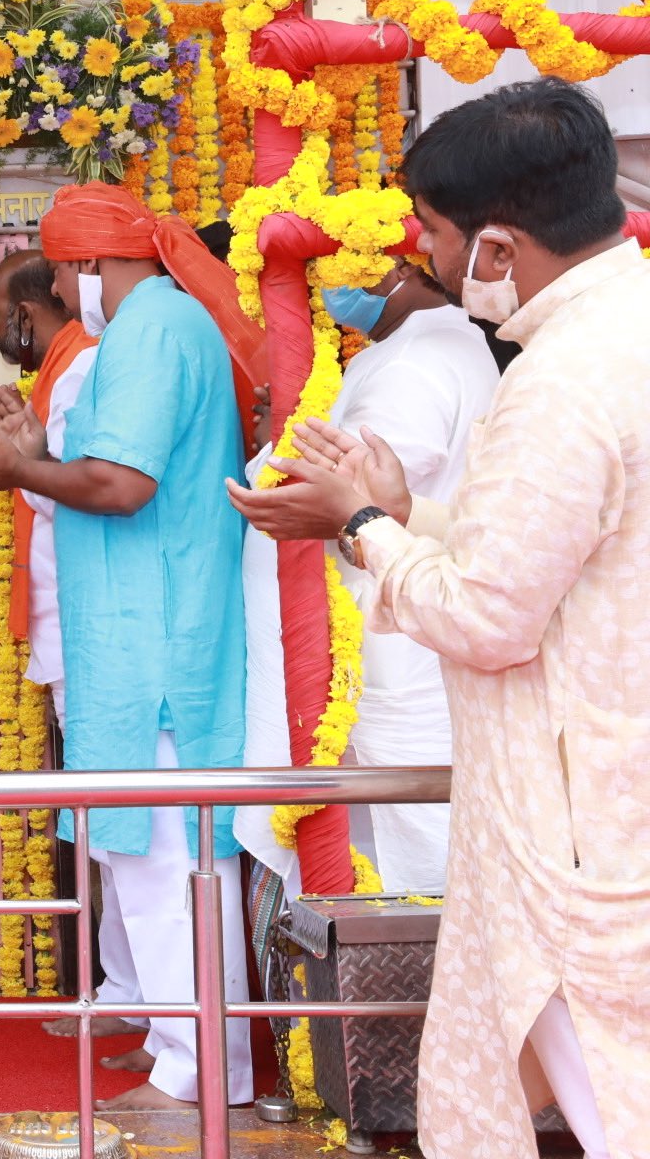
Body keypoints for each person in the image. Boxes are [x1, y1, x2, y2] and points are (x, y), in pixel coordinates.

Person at [227, 78, 646, 1159]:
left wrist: (360, 520)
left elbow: (490, 614)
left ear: (498, 248)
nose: (422, 259)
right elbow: (553, 544)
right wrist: (411, 508)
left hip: (579, 824)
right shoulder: (624, 329)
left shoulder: (563, 376)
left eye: (436, 239)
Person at [0, 183, 262, 1110]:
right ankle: (185, 1054)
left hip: (156, 636)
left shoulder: (155, 330)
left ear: (88, 267)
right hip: (135, 631)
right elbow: (95, 470)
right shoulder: (150, 329)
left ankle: (206, 1070)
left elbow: (124, 487)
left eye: (67, 270)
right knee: (152, 859)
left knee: (169, 865)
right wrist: (35, 447)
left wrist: (17, 468)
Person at [235, 258, 497, 897]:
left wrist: (279, 467)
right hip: (388, 641)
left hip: (399, 650)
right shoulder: (404, 349)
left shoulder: (419, 359)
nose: (328, 285)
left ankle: (415, 994)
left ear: (395, 265)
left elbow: (353, 493)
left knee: (422, 858)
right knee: (385, 856)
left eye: (334, 264)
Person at [0, 253, 136, 1043]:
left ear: (28, 311)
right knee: (102, 819)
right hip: (74, 620)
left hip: (92, 621)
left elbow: (93, 484)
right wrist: (27, 451)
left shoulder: (84, 370)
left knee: (116, 822)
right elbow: (59, 473)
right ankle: (123, 991)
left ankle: (133, 996)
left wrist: (19, 465)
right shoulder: (63, 376)